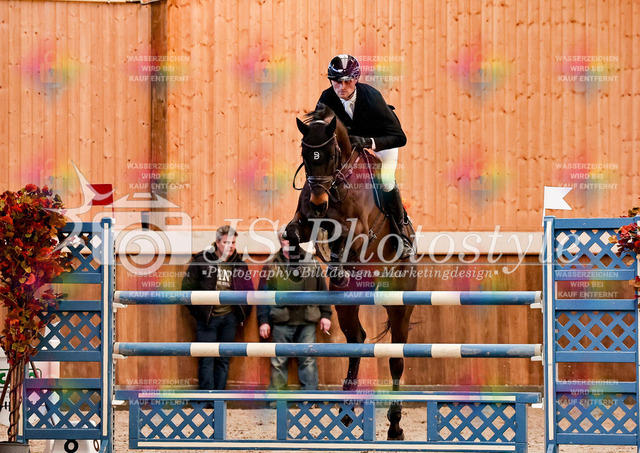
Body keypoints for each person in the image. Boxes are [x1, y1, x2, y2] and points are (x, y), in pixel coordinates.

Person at [317, 54, 414, 258]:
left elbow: (400, 137)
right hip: (352, 148)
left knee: (386, 181)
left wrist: (369, 142)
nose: (342, 86)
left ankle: (401, 234)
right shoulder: (326, 99)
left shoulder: (372, 97)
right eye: (337, 81)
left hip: (381, 142)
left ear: (356, 79)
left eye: (347, 81)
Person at [257, 227, 331, 391]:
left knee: (308, 359)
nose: (289, 242)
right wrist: (263, 320)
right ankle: (277, 400)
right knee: (279, 360)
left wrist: (326, 315)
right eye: (286, 239)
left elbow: (322, 289)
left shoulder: (312, 261)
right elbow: (263, 295)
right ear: (280, 241)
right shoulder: (271, 265)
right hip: (281, 320)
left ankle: (310, 398)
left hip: (307, 320)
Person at [181, 225, 254, 390]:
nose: (230, 246)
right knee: (207, 358)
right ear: (217, 242)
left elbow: (249, 292)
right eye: (226, 242)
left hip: (229, 318)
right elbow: (186, 288)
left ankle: (219, 398)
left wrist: (238, 315)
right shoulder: (202, 260)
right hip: (208, 318)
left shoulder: (239, 264)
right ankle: (208, 399)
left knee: (223, 358)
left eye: (233, 242)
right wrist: (200, 312)